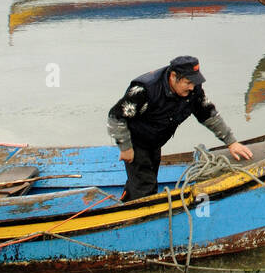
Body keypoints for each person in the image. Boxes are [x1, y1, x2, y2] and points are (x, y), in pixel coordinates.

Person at [107, 55, 254, 201]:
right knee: (145, 186)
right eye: (188, 82)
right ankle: (138, 217)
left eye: (195, 82)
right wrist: (125, 148)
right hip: (135, 141)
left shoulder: (193, 90)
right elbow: (116, 117)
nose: (192, 87)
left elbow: (208, 113)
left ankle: (128, 199)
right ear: (173, 76)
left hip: (155, 141)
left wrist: (231, 142)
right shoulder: (145, 90)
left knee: (145, 179)